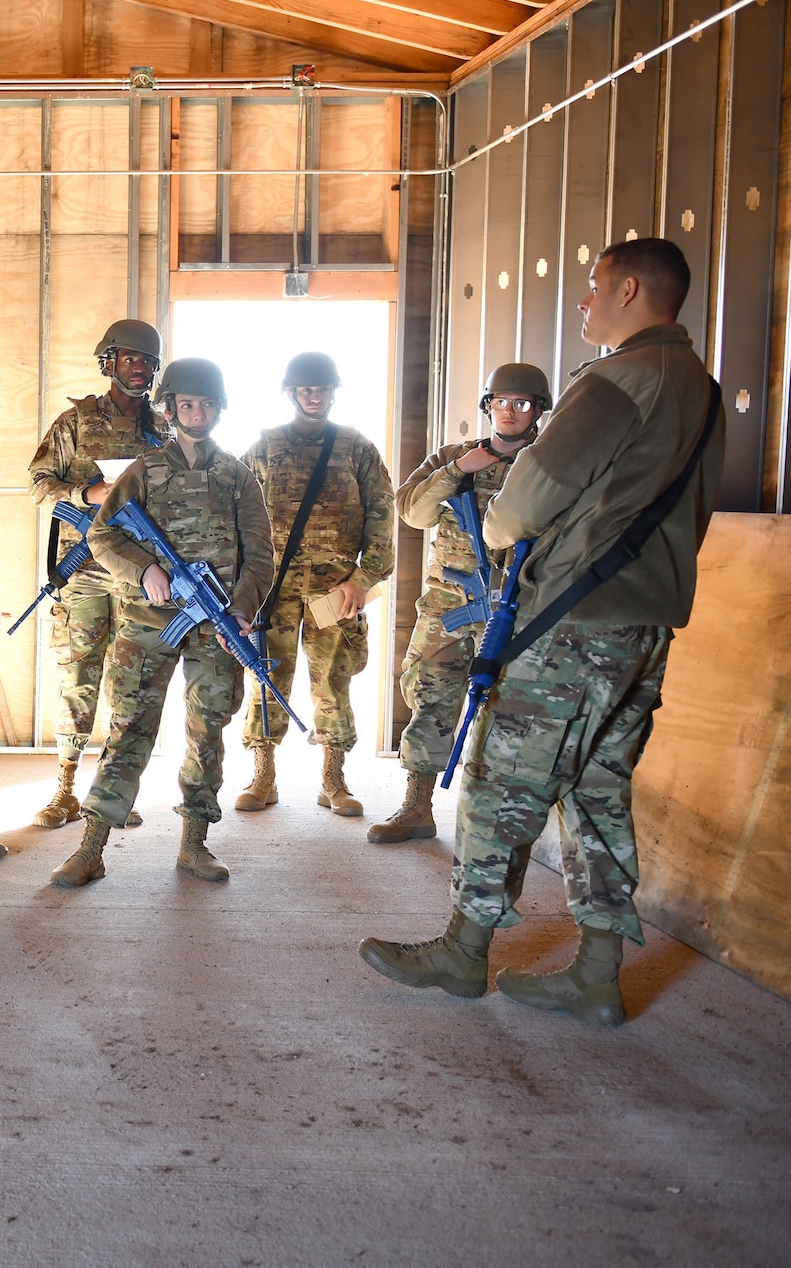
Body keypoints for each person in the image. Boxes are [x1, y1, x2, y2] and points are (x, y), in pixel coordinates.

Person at [360, 237, 724, 1026]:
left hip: (572, 628)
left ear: (630, 290)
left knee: (501, 784)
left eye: (593, 288)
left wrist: (510, 517)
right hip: (642, 625)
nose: (585, 304)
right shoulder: (700, 386)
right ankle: (596, 973)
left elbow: (515, 513)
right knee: (597, 791)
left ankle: (463, 953)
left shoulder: (616, 382)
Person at [50, 358, 274, 887]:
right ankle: (92, 847)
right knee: (128, 729)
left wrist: (240, 609)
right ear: (169, 408)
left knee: (208, 727)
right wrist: (146, 567)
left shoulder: (239, 476)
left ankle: (195, 843)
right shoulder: (144, 471)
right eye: (187, 404)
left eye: (208, 404)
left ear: (220, 408)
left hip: (218, 624)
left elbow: (260, 556)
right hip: (150, 621)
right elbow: (103, 536)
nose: (198, 413)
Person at [375, 363, 551, 843]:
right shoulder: (453, 457)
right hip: (449, 605)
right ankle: (416, 806)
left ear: (537, 410)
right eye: (501, 402)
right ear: (487, 406)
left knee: (510, 710)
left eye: (522, 403)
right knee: (430, 697)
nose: (510, 411)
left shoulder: (548, 465)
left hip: (516, 608)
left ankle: (494, 819)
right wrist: (458, 471)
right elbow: (413, 511)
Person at [237, 352, 395, 817]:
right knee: (266, 678)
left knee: (333, 683)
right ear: (290, 393)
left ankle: (333, 779)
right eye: (305, 389)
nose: (314, 396)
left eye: (322, 388)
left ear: (332, 393)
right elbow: (237, 514)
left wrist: (365, 579)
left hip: (335, 589)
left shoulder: (356, 448)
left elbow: (383, 520)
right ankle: (263, 775)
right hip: (274, 589)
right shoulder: (263, 448)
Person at [26, 319, 166, 830]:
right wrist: (89, 496)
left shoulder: (164, 430)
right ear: (108, 361)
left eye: (148, 360)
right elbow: (39, 484)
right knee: (77, 678)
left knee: (130, 685)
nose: (140, 367)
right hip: (83, 570)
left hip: (137, 572)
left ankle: (112, 793)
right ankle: (63, 790)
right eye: (130, 357)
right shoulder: (76, 423)